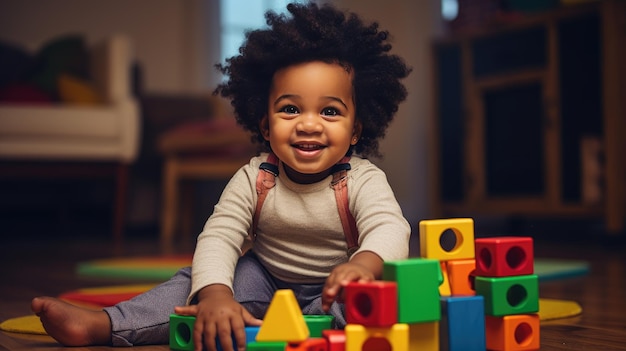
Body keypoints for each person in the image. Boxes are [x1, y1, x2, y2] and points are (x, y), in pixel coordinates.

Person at [30, 2, 412, 351]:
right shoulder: (256, 177)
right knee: (194, 282)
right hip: (264, 281)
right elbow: (221, 236)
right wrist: (214, 294)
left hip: (333, 292)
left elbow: (390, 228)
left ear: (356, 130)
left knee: (372, 303)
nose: (308, 125)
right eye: (290, 109)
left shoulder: (362, 178)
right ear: (265, 125)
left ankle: (315, 332)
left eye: (330, 112)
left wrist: (362, 266)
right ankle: (105, 325)